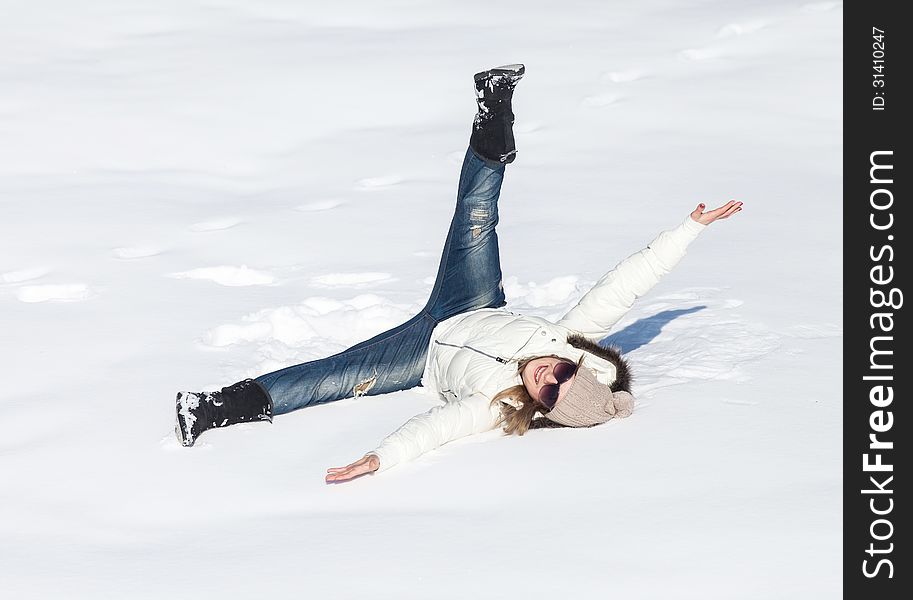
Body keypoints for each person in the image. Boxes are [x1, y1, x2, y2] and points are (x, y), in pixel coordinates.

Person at [174, 64, 742, 483]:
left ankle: (213, 407)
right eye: (564, 369)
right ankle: (494, 108)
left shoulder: (496, 404)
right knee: (476, 216)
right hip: (474, 302)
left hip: (419, 355)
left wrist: (381, 458)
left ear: (539, 404)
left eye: (547, 387)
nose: (548, 370)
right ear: (577, 361)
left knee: (333, 378)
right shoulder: (562, 338)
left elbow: (436, 430)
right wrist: (689, 228)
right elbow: (626, 284)